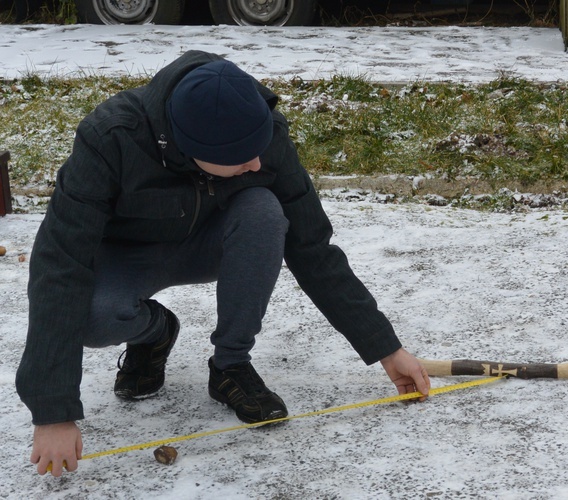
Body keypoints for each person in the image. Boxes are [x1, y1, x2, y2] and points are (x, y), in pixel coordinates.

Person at [15, 50, 430, 477]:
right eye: (240, 157)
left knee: (265, 213)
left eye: (258, 149)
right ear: (191, 148)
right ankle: (155, 332)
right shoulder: (110, 137)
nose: (255, 163)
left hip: (216, 243)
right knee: (95, 318)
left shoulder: (261, 132)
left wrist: (385, 348)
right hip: (128, 254)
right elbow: (60, 263)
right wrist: (53, 412)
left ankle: (230, 365)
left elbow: (313, 246)